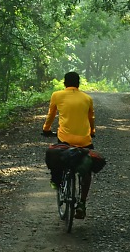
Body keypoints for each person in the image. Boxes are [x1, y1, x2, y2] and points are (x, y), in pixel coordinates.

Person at [41, 71, 95, 219]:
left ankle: (57, 180)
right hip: (85, 141)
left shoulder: (56, 95)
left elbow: (51, 116)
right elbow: (91, 118)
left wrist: (46, 130)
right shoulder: (87, 98)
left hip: (65, 140)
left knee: (59, 159)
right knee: (87, 171)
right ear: (79, 84)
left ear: (65, 83)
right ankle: (82, 203)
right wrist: (93, 131)